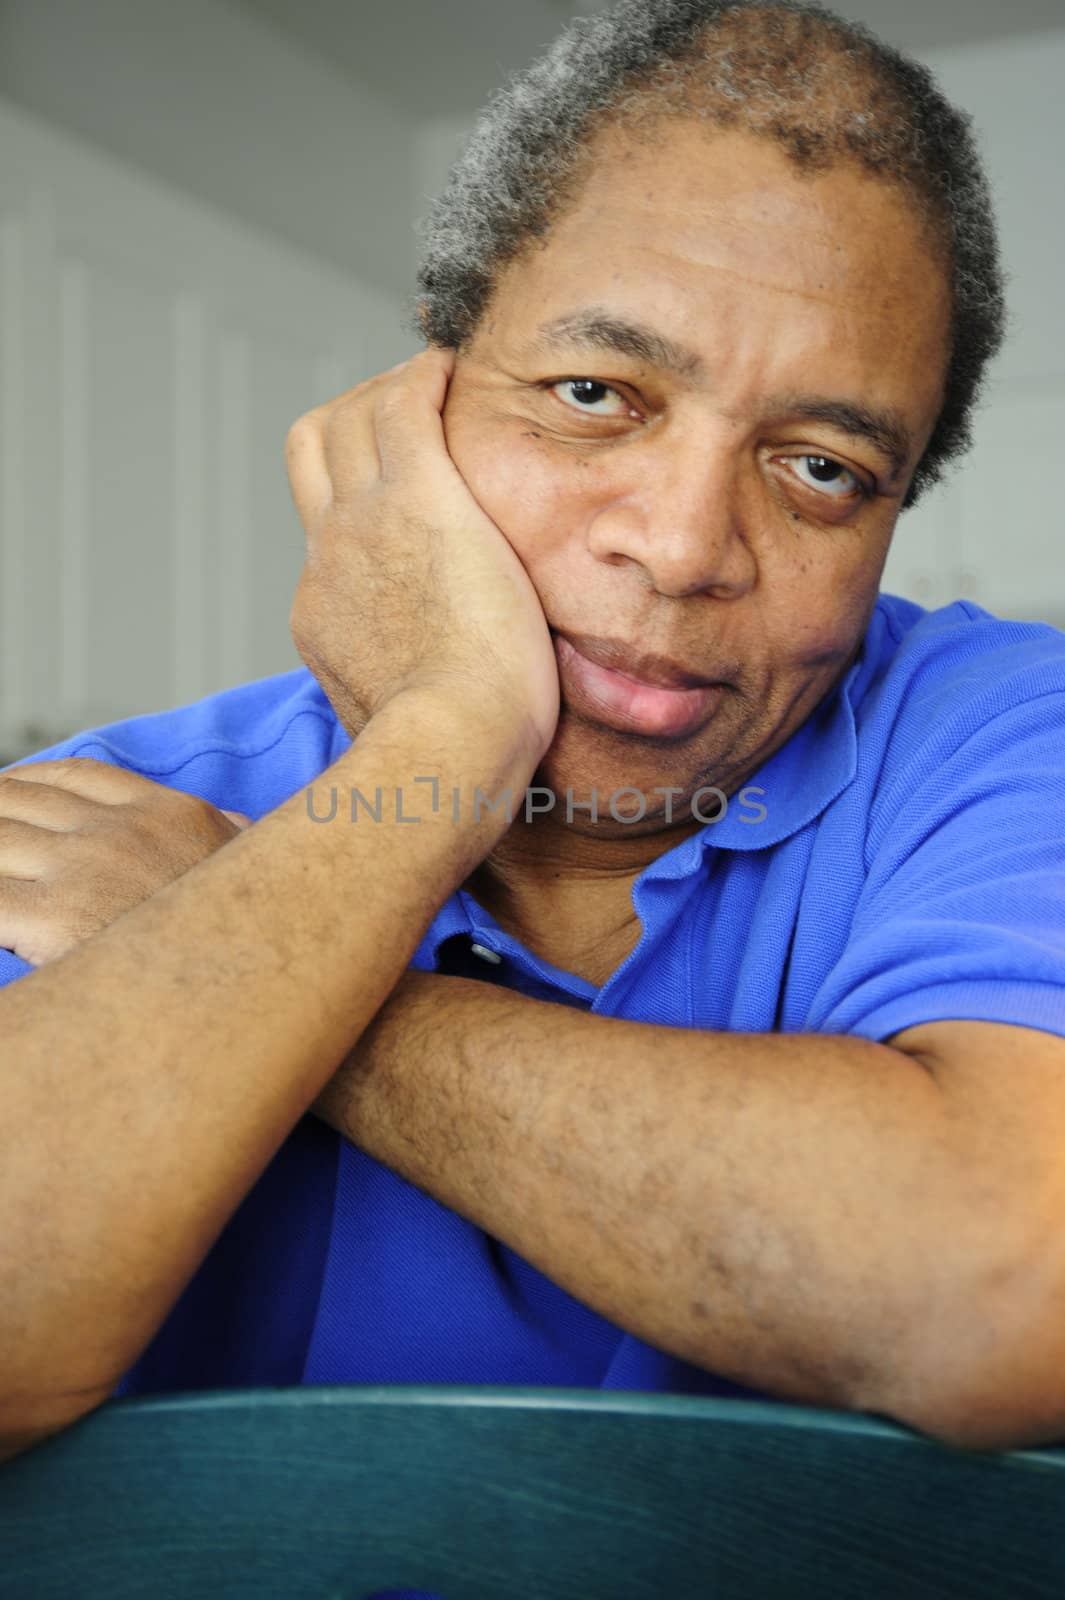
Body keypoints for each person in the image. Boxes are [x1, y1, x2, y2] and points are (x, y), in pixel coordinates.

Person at [1, 0, 1063, 1470]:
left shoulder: (1000, 736)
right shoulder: (100, 816)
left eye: (819, 468)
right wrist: (446, 736)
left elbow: (1002, 1287)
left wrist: (225, 940)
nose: (685, 546)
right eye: (590, 395)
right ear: (410, 410)